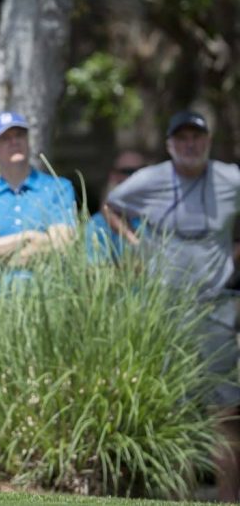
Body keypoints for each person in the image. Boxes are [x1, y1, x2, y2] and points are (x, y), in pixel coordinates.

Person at [103, 109, 240, 501]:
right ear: (169, 145)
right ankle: (177, 497)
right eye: (182, 138)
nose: (190, 145)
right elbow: (110, 206)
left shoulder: (230, 178)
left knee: (225, 411)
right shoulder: (150, 180)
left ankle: (229, 499)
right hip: (167, 312)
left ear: (208, 141)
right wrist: (137, 245)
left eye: (196, 137)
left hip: (216, 308)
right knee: (175, 409)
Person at [0, 111, 76, 273]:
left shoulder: (58, 188)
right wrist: (28, 237)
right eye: (5, 138)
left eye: (19, 135)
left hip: (48, 287)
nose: (14, 142)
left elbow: (62, 244)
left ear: (28, 140)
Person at [85, 149, 147, 261]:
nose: (135, 176)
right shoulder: (98, 223)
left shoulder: (159, 215)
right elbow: (96, 267)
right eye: (127, 171)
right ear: (113, 175)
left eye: (140, 170)